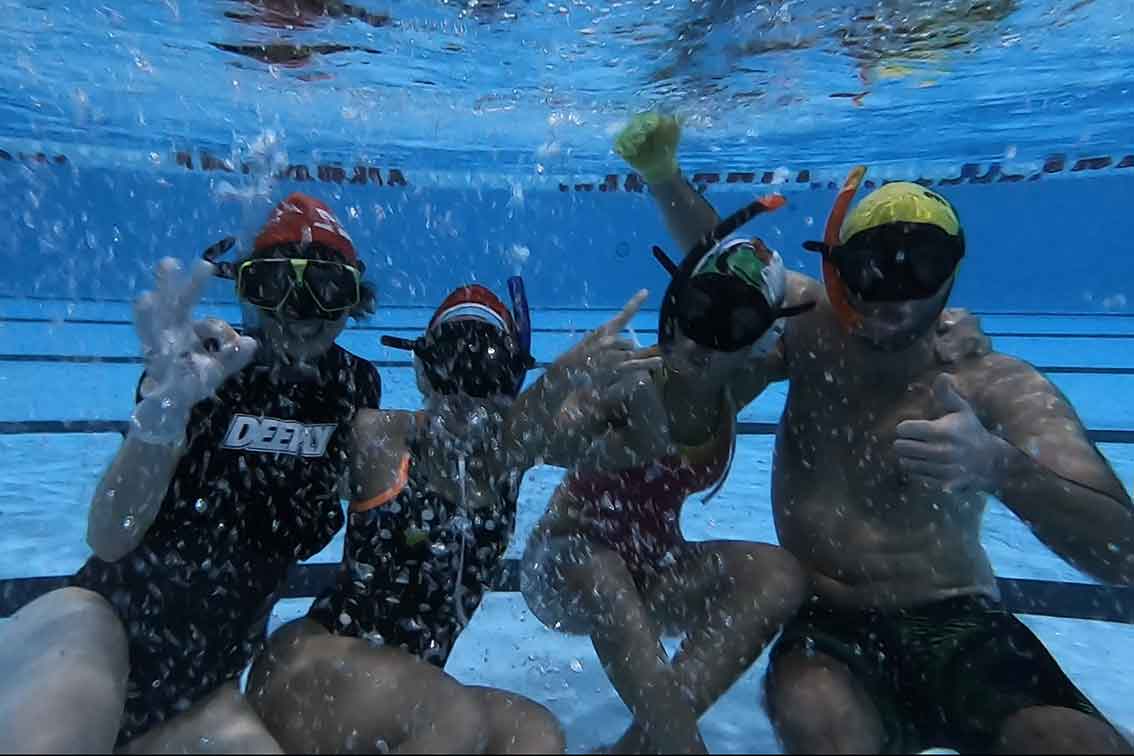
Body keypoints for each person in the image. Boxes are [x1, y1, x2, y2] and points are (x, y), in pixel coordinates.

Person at [617, 112, 1134, 754]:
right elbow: (730, 262)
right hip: (828, 621)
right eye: (872, 270)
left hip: (956, 618)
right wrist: (664, 176)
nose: (894, 298)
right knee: (821, 726)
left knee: (1073, 743)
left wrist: (1002, 468)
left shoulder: (992, 382)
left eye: (918, 269)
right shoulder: (813, 330)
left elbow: (1124, 554)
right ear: (838, 268)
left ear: (950, 274)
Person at [0, 192, 381, 753]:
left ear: (355, 300)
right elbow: (109, 537)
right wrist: (162, 416)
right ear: (247, 291)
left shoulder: (352, 388)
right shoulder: (200, 366)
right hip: (98, 625)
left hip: (203, 686)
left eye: (328, 291)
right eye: (274, 286)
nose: (299, 313)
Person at [246, 282, 660, 754]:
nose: (464, 392)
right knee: (451, 719)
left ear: (510, 384)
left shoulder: (513, 453)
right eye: (449, 365)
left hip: (402, 692)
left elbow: (642, 443)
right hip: (306, 665)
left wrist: (638, 385)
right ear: (422, 371)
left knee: (535, 737)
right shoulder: (381, 437)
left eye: (486, 372)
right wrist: (560, 378)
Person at [520, 188, 819, 754]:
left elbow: (842, 341)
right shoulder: (630, 384)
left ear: (758, 340)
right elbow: (539, 445)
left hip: (653, 575)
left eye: (733, 324)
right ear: (676, 306)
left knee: (777, 574)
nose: (703, 337)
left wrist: (951, 336)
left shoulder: (743, 380)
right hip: (562, 569)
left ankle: (638, 746)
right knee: (601, 570)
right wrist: (567, 385)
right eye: (699, 310)